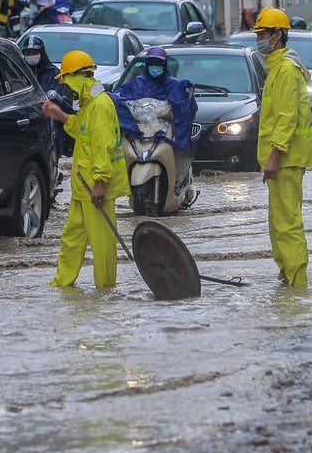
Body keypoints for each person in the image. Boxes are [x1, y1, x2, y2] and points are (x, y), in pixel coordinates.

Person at [42, 50, 127, 289]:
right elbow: (82, 131)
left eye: (68, 82)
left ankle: (105, 289)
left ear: (80, 77)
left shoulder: (100, 106)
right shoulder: (89, 105)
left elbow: (103, 146)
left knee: (102, 244)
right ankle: (62, 283)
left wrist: (99, 183)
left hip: (95, 188)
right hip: (83, 186)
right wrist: (61, 116)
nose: (67, 89)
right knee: (72, 238)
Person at [253, 9, 312, 288]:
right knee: (277, 221)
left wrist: (275, 155)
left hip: (286, 159)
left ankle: (298, 283)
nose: (259, 39)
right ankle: (287, 276)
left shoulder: (286, 70)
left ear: (278, 36)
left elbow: (287, 117)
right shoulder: (276, 68)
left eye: (263, 34)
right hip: (279, 158)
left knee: (287, 222)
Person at [112, 47, 197, 200]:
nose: (154, 67)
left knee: (182, 147)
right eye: (151, 63)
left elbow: (185, 108)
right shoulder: (137, 84)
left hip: (164, 133)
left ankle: (180, 181)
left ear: (164, 65)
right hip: (141, 131)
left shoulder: (174, 86)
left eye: (158, 63)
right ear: (146, 64)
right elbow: (120, 95)